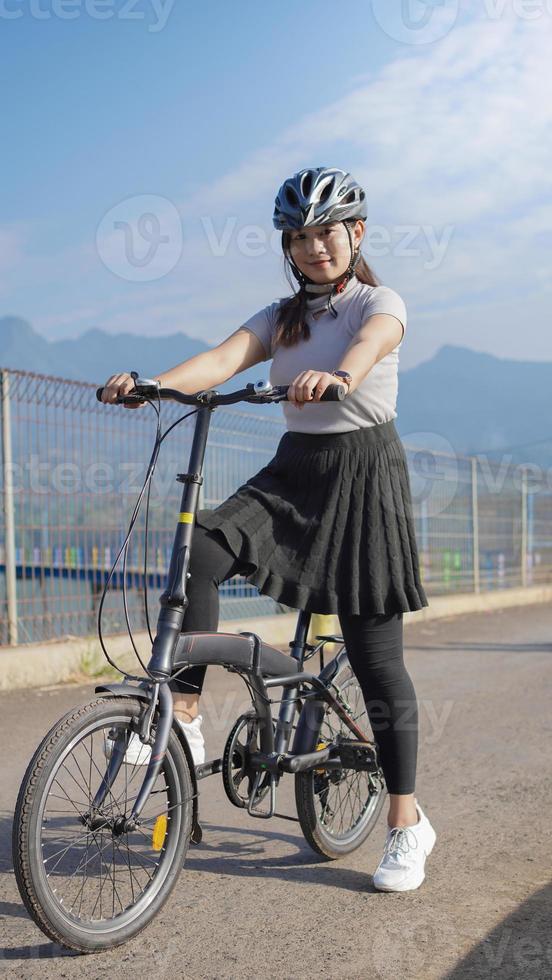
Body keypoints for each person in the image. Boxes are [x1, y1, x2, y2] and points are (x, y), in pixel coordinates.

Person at [101, 166, 436, 892]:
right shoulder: (281, 317)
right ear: (288, 245)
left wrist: (339, 376)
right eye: (301, 237)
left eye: (329, 233)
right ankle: (184, 714)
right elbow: (222, 361)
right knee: (199, 550)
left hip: (364, 479)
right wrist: (150, 385)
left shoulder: (378, 302)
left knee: (377, 660)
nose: (316, 248)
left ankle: (406, 823)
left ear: (357, 234)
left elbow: (375, 342)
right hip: (293, 474)